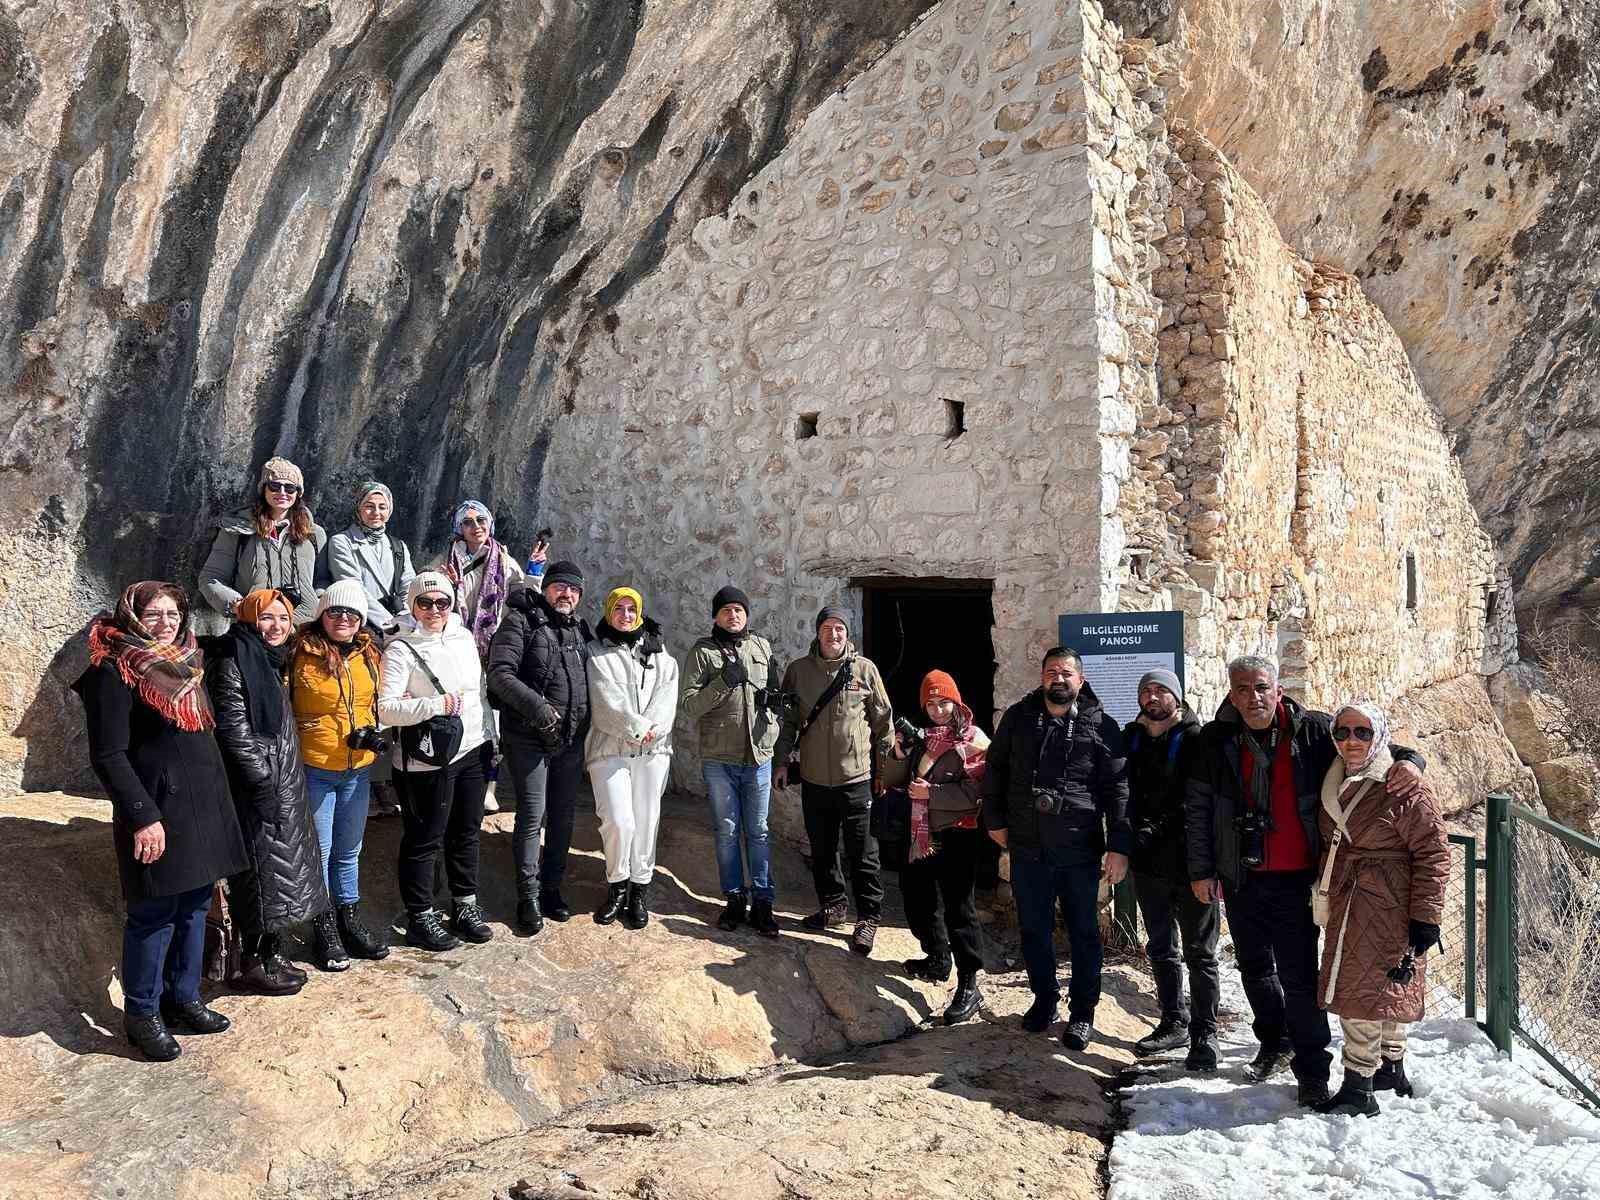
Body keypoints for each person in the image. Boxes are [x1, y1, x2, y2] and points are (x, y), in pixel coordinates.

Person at [1185, 655, 1426, 1106]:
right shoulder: (1216, 739)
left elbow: (1369, 743)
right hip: (1240, 877)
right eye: (1242, 689)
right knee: (1254, 969)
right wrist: (1201, 870)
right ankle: (1274, 1042)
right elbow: (1197, 808)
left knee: (1298, 977)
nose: (1253, 697)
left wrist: (1412, 760)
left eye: (1261, 687)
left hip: (1297, 879)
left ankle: (1312, 1069)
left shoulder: (1312, 730)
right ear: (1231, 695)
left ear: (1278, 690)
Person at [73, 582, 250, 1061]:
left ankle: (182, 998)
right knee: (152, 914)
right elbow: (108, 755)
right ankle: (142, 1014)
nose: (166, 623)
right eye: (153, 614)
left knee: (194, 906)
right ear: (132, 616)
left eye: (173, 613)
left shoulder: (187, 662)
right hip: (157, 810)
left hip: (201, 807)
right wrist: (142, 817)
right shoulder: (114, 670)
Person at [983, 647, 1130, 1051]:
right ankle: (1044, 1000)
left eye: (1066, 673)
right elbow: (995, 769)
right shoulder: (1018, 718)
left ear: (1080, 680)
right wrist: (994, 820)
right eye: (1051, 672)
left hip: (1079, 850)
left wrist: (1119, 846)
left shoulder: (1101, 725)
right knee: (1034, 929)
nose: (1058, 679)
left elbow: (1118, 790)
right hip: (1029, 847)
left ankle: (1082, 1012)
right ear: (1042, 677)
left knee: (1084, 933)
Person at [1311, 702, 1449, 1116]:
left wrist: (1427, 916)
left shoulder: (1403, 786)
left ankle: (1359, 1086)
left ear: (1380, 735)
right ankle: (1390, 1067)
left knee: (1361, 994)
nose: (1351, 741)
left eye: (1363, 732)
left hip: (1388, 905)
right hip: (1350, 899)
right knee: (1387, 987)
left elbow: (1434, 854)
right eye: (1342, 732)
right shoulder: (1336, 775)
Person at [203, 589, 328, 996]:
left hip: (281, 780)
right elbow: (234, 730)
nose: (276, 626)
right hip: (258, 786)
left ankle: (272, 953)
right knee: (261, 875)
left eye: (284, 619)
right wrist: (261, 782)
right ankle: (253, 963)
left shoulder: (267, 658)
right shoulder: (233, 658)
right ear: (248, 618)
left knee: (281, 873)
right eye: (267, 618)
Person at [380, 572, 495, 951]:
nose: (434, 610)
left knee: (466, 831)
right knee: (424, 838)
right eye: (425, 603)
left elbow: (477, 694)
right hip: (426, 760)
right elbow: (385, 710)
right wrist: (434, 705)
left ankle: (465, 904)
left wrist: (490, 738)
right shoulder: (400, 648)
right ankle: (420, 915)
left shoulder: (463, 638)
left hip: (472, 748)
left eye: (442, 602)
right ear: (412, 606)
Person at [773, 606, 894, 957]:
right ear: (817, 632)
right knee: (822, 850)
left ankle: (868, 917)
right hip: (814, 780)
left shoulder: (864, 670)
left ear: (847, 633)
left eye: (839, 628)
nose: (833, 634)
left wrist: (884, 772)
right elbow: (788, 723)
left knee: (863, 854)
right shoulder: (799, 671)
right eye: (827, 628)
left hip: (856, 779)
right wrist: (782, 762)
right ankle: (834, 906)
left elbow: (883, 723)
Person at [487, 560, 592, 935]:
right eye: (560, 587)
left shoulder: (579, 629)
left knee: (563, 816)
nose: (566, 594)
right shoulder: (520, 621)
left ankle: (551, 889)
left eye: (574, 589)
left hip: (570, 739)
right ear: (546, 588)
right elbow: (500, 674)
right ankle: (528, 896)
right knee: (533, 815)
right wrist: (540, 710)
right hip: (529, 736)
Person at [288, 578, 389, 971]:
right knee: (321, 851)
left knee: (349, 850)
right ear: (322, 614)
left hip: (357, 769)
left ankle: (349, 919)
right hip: (316, 767)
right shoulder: (299, 652)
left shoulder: (368, 654)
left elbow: (378, 703)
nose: (343, 618)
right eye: (335, 611)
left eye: (351, 613)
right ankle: (323, 927)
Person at [881, 670, 990, 1025]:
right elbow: (894, 780)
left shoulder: (974, 740)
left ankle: (969, 982)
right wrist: (899, 753)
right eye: (931, 704)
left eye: (944, 702)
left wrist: (932, 794)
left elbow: (977, 793)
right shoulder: (923, 739)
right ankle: (937, 957)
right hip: (921, 834)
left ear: (956, 702)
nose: (938, 710)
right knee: (917, 898)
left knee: (959, 908)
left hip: (958, 834)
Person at [1124, 668, 1219, 1070]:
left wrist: (1156, 828)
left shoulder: (1197, 739)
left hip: (1192, 865)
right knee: (1161, 947)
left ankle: (1205, 1034)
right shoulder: (1133, 738)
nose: (1152, 696)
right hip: (1148, 865)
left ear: (1176, 697)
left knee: (1200, 953)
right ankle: (1173, 1021)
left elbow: (1197, 801)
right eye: (1146, 690)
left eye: (1161, 690)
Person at [679, 585, 783, 938]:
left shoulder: (761, 647)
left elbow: (775, 692)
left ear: (747, 615)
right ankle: (735, 898)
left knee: (759, 831)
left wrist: (775, 708)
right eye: (726, 610)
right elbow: (690, 706)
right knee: (727, 830)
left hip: (759, 756)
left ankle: (763, 901)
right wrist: (723, 682)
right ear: (716, 616)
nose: (733, 615)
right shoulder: (703, 652)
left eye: (739, 609)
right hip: (719, 758)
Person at [586, 587, 680, 930]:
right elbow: (604, 701)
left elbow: (668, 694)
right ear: (609, 611)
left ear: (639, 612)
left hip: (653, 751)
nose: (625, 615)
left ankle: (639, 888)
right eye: (619, 608)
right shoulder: (596, 652)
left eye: (631, 609)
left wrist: (655, 729)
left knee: (646, 820)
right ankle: (617, 884)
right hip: (609, 748)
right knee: (618, 820)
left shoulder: (659, 653)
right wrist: (639, 728)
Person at [437, 499, 527, 814]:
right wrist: (448, 584)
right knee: (462, 716)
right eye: (468, 522)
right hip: (457, 653)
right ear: (458, 528)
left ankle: (490, 787)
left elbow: (522, 597)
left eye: (481, 520)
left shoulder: (505, 561)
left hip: (493, 654)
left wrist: (535, 571)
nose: (475, 527)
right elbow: (429, 594)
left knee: (494, 725)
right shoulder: (445, 560)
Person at [199, 457, 328, 628]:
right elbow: (210, 577)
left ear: (298, 493)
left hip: (305, 628)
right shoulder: (238, 531)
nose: (282, 492)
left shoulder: (314, 534)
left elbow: (323, 579)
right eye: (275, 486)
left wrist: (319, 602)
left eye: (290, 488)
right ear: (263, 489)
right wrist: (239, 606)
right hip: (257, 626)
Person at [325, 481, 416, 635]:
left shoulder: (399, 546)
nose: (376, 512)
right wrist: (389, 624)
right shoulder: (342, 542)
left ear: (389, 510)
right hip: (361, 625)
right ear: (358, 508)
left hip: (401, 625)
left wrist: (405, 620)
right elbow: (354, 588)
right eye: (369, 506)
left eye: (382, 507)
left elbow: (408, 587)